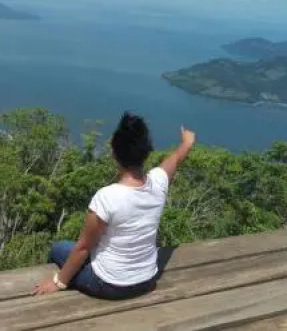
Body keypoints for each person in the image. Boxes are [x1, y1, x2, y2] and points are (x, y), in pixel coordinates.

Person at [32, 111, 196, 299]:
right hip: (146, 280)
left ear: (114, 154)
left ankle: (54, 291)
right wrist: (187, 143)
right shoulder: (158, 183)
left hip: (109, 285)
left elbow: (83, 247)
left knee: (59, 248)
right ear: (146, 152)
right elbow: (175, 159)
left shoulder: (107, 197)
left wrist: (58, 282)